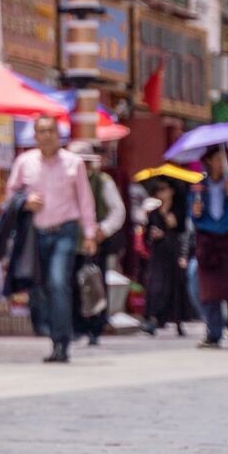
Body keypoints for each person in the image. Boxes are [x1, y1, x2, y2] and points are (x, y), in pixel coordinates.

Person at [6, 116, 99, 364]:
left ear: (58, 135)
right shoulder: (25, 162)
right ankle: (51, 333)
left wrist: (89, 233)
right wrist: (26, 201)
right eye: (41, 131)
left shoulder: (74, 163)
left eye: (50, 131)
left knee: (59, 283)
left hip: (65, 230)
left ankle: (62, 341)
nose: (46, 135)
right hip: (36, 233)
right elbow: (10, 192)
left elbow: (85, 199)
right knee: (41, 287)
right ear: (35, 135)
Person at [190, 149, 228, 349]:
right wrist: (195, 212)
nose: (221, 163)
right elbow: (193, 213)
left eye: (225, 159)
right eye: (217, 159)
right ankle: (213, 333)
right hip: (208, 242)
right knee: (210, 291)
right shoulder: (199, 185)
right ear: (208, 161)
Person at [71, 143, 125, 347]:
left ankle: (95, 327)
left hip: (93, 242)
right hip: (69, 241)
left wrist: (103, 229)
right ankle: (76, 326)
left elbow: (117, 210)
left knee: (94, 284)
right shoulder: (66, 183)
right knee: (71, 285)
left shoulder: (102, 182)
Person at [137, 177, 194, 336]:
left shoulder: (178, 210)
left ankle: (177, 321)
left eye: (164, 189)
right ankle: (152, 319)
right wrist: (151, 233)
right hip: (157, 252)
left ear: (172, 191)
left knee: (174, 286)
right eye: (158, 190)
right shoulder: (153, 212)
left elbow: (176, 227)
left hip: (173, 251)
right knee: (155, 285)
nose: (160, 193)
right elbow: (148, 232)